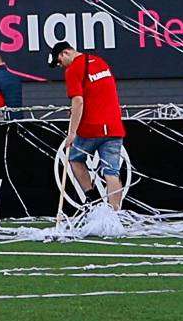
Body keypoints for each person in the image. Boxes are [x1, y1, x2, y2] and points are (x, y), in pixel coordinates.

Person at [49, 40, 127, 230]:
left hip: (92, 128)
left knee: (75, 158)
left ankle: (91, 199)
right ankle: (114, 217)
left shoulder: (73, 69)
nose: (60, 66)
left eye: (59, 61)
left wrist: (72, 133)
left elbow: (78, 102)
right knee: (112, 171)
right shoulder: (99, 61)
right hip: (114, 126)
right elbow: (97, 94)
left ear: (65, 53)